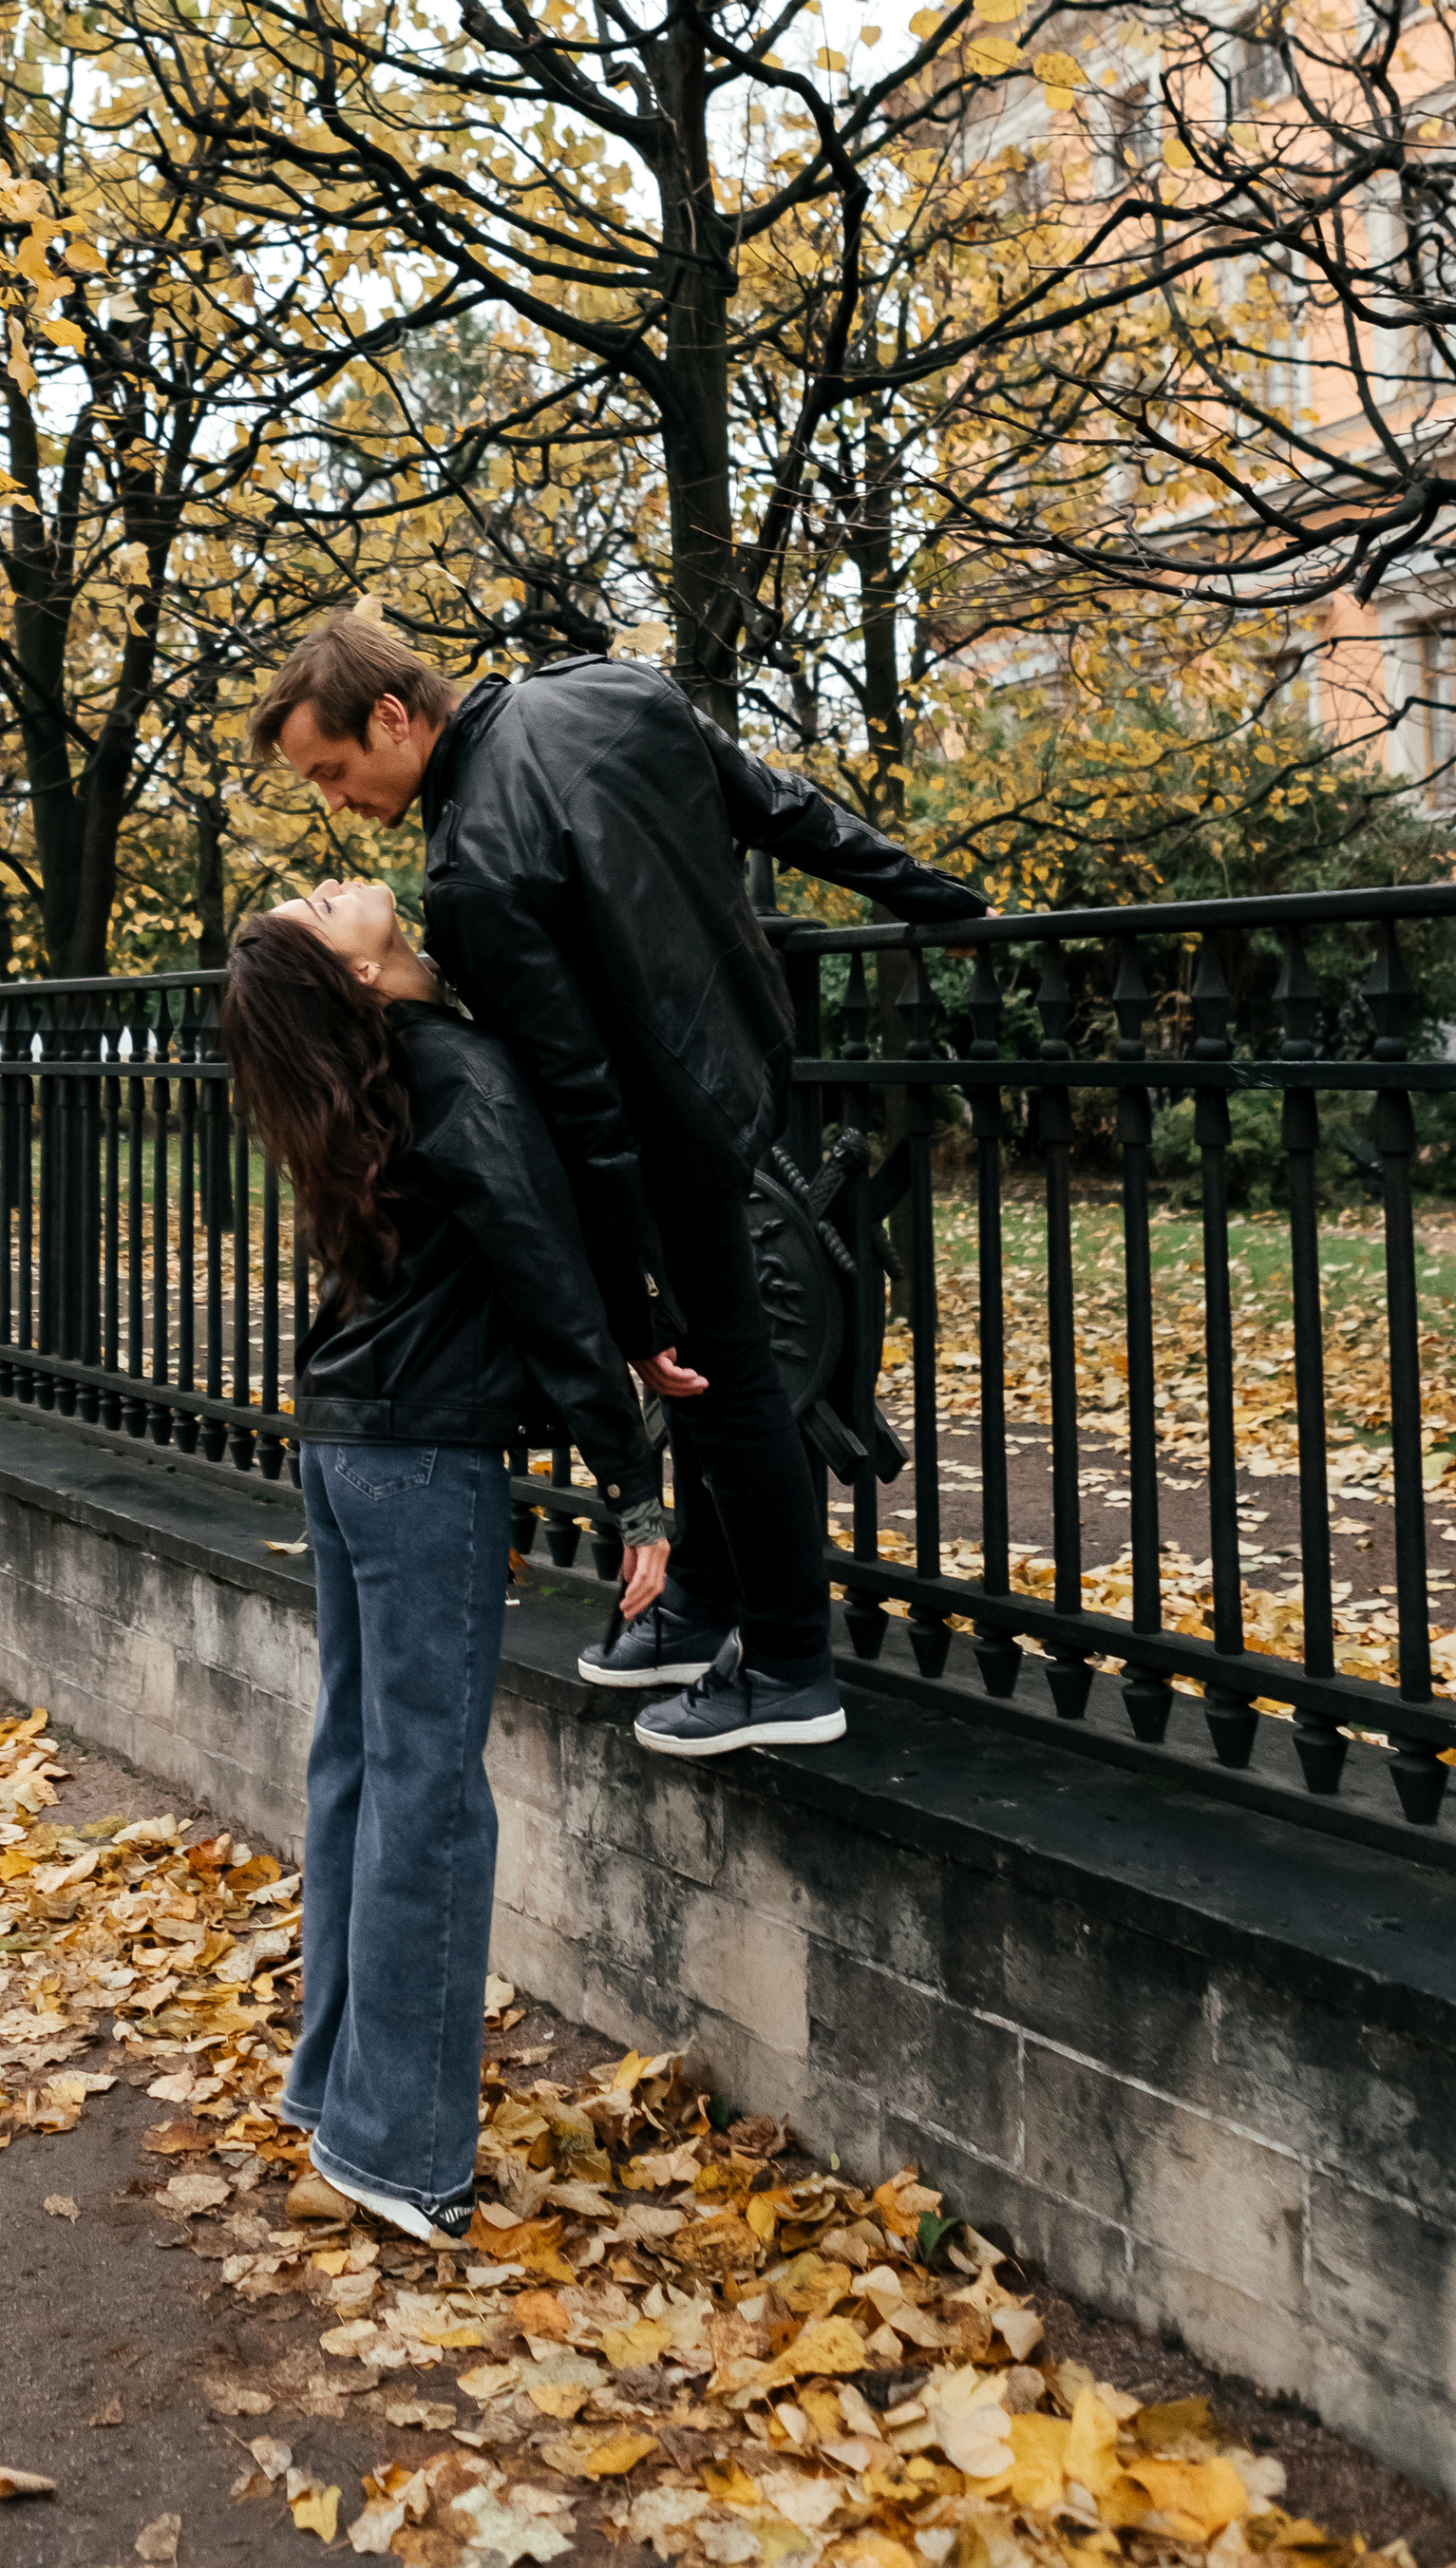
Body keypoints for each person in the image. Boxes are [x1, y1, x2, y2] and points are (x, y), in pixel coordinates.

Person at [250, 617, 982, 1764]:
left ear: (392, 717)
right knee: (728, 1374)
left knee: (718, 1381)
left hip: (660, 1135)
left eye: (333, 773)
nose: (337, 804)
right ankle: (695, 1611)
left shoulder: (471, 870)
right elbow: (775, 802)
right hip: (741, 1066)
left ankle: (789, 1666)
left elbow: (578, 1097)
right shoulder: (604, 689)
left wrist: (626, 1294)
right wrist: (939, 898)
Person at [218, 879, 669, 2246]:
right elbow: (544, 1271)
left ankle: (335, 2091)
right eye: (313, 909)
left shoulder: (392, 1086)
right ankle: (400, 2145)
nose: (328, 881)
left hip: (350, 1445)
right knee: (430, 1793)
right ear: (353, 980)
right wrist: (637, 1486)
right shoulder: (454, 1070)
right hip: (415, 1465)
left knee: (361, 1767)